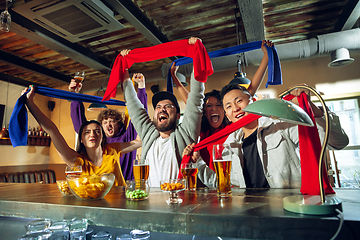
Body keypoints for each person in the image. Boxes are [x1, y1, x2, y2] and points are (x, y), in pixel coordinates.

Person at [184, 83, 349, 189]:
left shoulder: (281, 125)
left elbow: (338, 142)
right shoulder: (228, 144)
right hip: (247, 214)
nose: (235, 108)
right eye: (228, 106)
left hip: (289, 209)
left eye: (239, 101)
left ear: (253, 101)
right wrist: (197, 162)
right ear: (227, 115)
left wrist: (315, 110)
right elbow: (222, 185)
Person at [178, 40, 274, 185]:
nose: (214, 109)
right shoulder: (202, 135)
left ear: (225, 113)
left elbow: (248, 93)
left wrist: (266, 57)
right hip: (209, 182)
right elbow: (191, 101)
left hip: (231, 182)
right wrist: (174, 77)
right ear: (204, 112)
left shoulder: (233, 131)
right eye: (209, 106)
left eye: (219, 105)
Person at [121, 37, 205, 187]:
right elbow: (133, 104)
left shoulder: (185, 133)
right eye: (158, 107)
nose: (162, 109)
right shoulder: (148, 134)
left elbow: (195, 98)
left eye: (168, 106)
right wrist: (124, 68)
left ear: (178, 116)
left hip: (180, 203)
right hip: (150, 206)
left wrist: (196, 52)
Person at [22, 86, 142, 186]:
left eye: (96, 131)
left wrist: (139, 91)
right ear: (82, 139)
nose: (92, 134)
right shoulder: (76, 161)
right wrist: (30, 103)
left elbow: (141, 140)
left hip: (120, 207)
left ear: (102, 137)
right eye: (87, 132)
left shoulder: (113, 150)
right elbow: (52, 130)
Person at [69, 74, 147, 181]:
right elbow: (80, 125)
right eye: (105, 122)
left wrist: (141, 87)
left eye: (112, 121)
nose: (108, 125)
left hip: (125, 188)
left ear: (119, 125)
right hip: (102, 187)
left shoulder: (127, 137)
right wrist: (75, 95)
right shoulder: (98, 141)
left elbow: (139, 114)